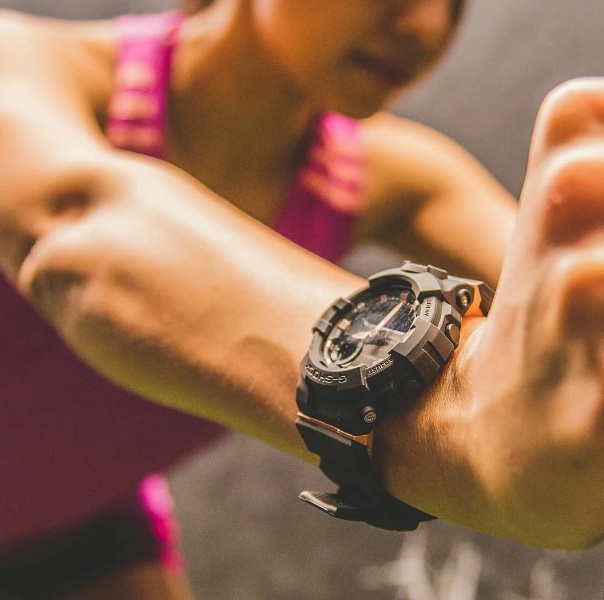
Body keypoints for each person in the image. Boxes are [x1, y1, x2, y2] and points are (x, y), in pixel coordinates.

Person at [0, 0, 602, 598]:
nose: (425, 27)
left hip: (84, 531)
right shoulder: (20, 58)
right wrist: (463, 420)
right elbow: (80, 226)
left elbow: (573, 303)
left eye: (454, 4)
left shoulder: (402, 177)